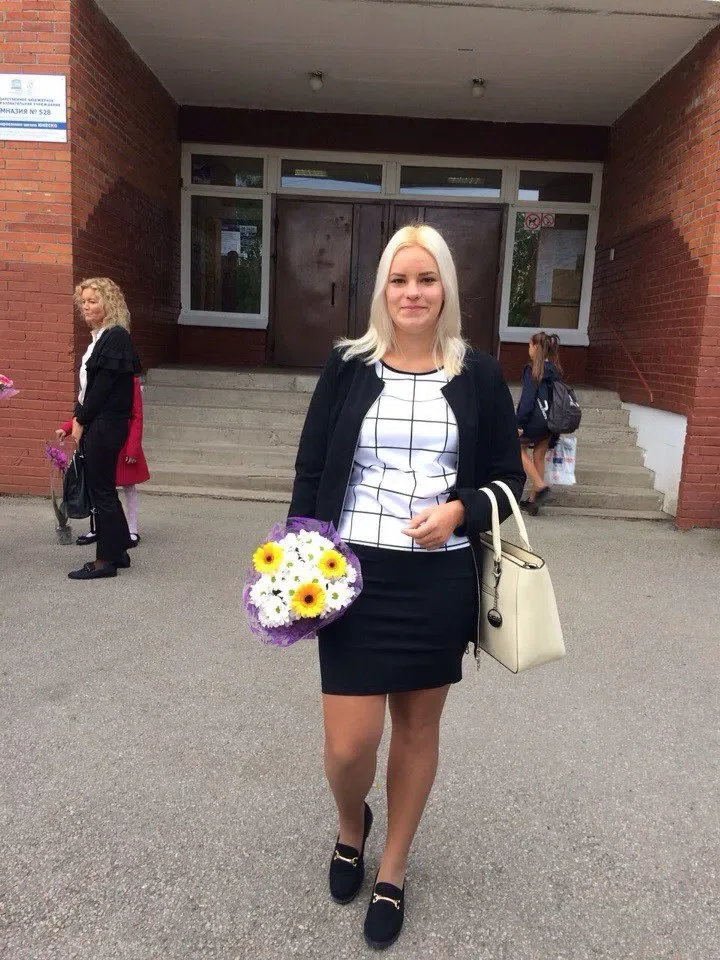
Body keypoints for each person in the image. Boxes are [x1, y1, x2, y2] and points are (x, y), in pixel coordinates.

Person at [288, 224, 525, 950]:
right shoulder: (347, 366)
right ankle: (350, 823)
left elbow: (509, 480)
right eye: (399, 279)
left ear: (445, 287)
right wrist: (297, 556)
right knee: (349, 744)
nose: (412, 293)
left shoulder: (477, 374)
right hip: (352, 573)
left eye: (426, 279)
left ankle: (392, 867)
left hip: (437, 578)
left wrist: (459, 510)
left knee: (419, 729)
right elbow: (310, 467)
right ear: (382, 289)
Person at [66, 278, 140, 580]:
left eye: (93, 301)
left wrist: (81, 420)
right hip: (101, 421)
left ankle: (104, 562)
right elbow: (89, 388)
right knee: (105, 488)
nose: (85, 307)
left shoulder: (115, 337)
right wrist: (78, 416)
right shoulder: (101, 337)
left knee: (101, 491)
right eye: (83, 301)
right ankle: (118, 550)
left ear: (109, 303)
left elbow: (101, 389)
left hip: (105, 423)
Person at [58, 375, 150, 547]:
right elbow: (87, 410)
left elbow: (137, 416)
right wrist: (68, 428)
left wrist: (133, 448)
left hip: (123, 440)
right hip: (98, 439)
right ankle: (97, 527)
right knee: (97, 487)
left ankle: (131, 529)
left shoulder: (130, 381)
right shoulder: (96, 378)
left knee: (128, 487)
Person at [515, 332, 562, 516]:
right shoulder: (555, 371)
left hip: (534, 420)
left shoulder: (532, 370)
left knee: (518, 449)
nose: (528, 349)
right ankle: (533, 501)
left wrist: (519, 422)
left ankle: (540, 487)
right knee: (539, 456)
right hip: (551, 421)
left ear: (535, 347)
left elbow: (527, 400)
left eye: (529, 345)